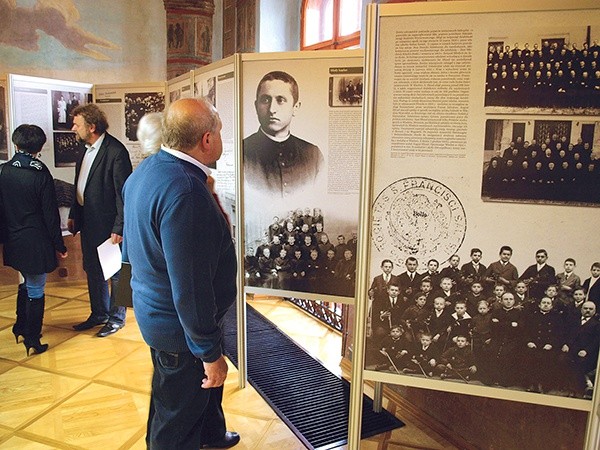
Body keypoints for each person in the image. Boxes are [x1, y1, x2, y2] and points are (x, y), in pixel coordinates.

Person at [122, 98, 240, 449]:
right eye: (219, 131)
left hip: (158, 312)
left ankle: (211, 435)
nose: (221, 138)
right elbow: (190, 287)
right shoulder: (187, 192)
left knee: (188, 395)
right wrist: (208, 352)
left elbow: (133, 242)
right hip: (180, 328)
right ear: (207, 140)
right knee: (175, 417)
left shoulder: (149, 169)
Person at [0, 125, 68, 355]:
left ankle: (20, 326)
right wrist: (59, 245)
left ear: (16, 144)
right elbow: (50, 215)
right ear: (40, 146)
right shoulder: (40, 173)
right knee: (36, 288)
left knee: (25, 282)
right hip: (36, 240)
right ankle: (32, 338)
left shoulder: (5, 170)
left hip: (14, 238)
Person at [68, 104, 132, 337]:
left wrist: (120, 226)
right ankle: (99, 313)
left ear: (92, 126)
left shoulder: (116, 151)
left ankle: (117, 318)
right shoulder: (84, 149)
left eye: (77, 124)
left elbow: (123, 194)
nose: (73, 128)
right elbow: (80, 184)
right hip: (88, 222)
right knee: (93, 269)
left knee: (116, 273)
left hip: (110, 226)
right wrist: (75, 214)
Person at [243, 70, 324, 196]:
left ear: (295, 108)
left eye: (280, 100)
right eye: (265, 100)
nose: (272, 109)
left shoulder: (313, 155)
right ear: (256, 106)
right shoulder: (242, 152)